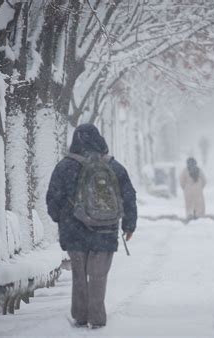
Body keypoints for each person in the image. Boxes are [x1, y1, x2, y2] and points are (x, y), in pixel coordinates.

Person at [46, 124, 137, 329]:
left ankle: (80, 315)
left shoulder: (65, 167)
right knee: (98, 275)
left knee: (79, 274)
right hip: (105, 230)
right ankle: (96, 317)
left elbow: (53, 198)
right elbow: (129, 195)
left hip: (74, 229)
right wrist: (129, 225)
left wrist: (61, 219)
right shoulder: (113, 166)